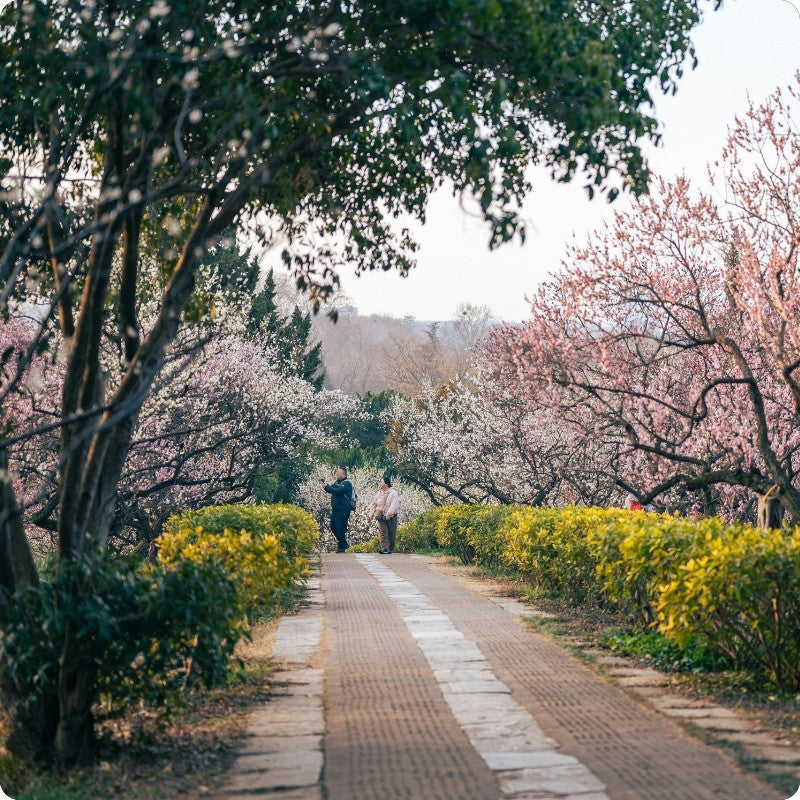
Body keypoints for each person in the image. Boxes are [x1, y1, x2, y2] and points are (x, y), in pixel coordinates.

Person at [322, 467, 353, 553]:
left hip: (344, 509)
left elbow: (338, 491)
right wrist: (326, 486)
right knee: (333, 526)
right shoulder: (336, 482)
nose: (336, 473)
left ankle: (341, 547)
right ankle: (343, 544)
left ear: (343, 474)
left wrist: (327, 488)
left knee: (340, 527)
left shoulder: (347, 483)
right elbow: (331, 489)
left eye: (338, 472)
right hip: (336, 508)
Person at [368, 475, 400, 554]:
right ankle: (384, 548)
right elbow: (374, 504)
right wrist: (370, 515)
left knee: (392, 533)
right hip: (380, 515)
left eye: (381, 482)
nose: (380, 483)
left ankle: (390, 548)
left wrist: (388, 515)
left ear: (386, 484)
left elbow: (394, 505)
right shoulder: (379, 493)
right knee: (383, 532)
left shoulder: (393, 493)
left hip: (391, 516)